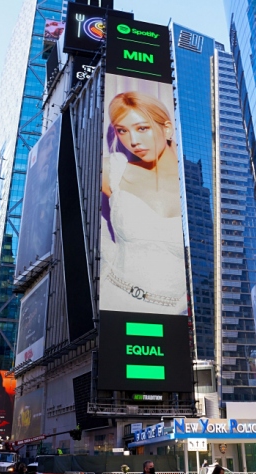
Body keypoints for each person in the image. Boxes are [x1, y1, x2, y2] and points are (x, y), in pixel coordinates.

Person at [100, 89, 187, 316]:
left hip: (176, 314)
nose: (134, 141)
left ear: (166, 128)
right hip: (114, 301)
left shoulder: (197, 183)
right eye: (122, 131)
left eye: (142, 128)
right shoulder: (114, 170)